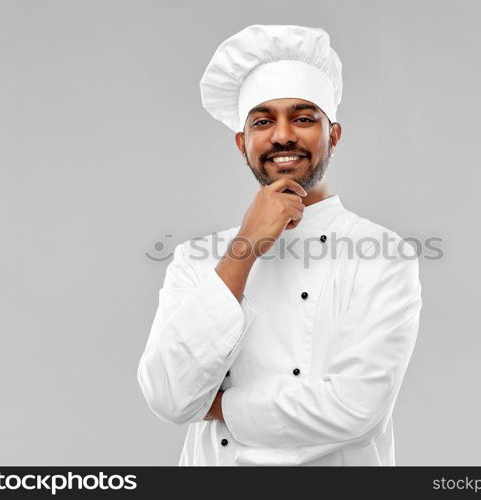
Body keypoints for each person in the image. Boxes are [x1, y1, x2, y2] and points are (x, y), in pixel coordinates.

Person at [137, 24, 422, 466]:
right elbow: (169, 396)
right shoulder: (196, 260)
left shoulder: (383, 254)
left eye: (304, 118)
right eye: (263, 121)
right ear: (242, 143)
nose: (283, 135)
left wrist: (221, 408)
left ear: (334, 135)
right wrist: (245, 248)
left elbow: (358, 409)